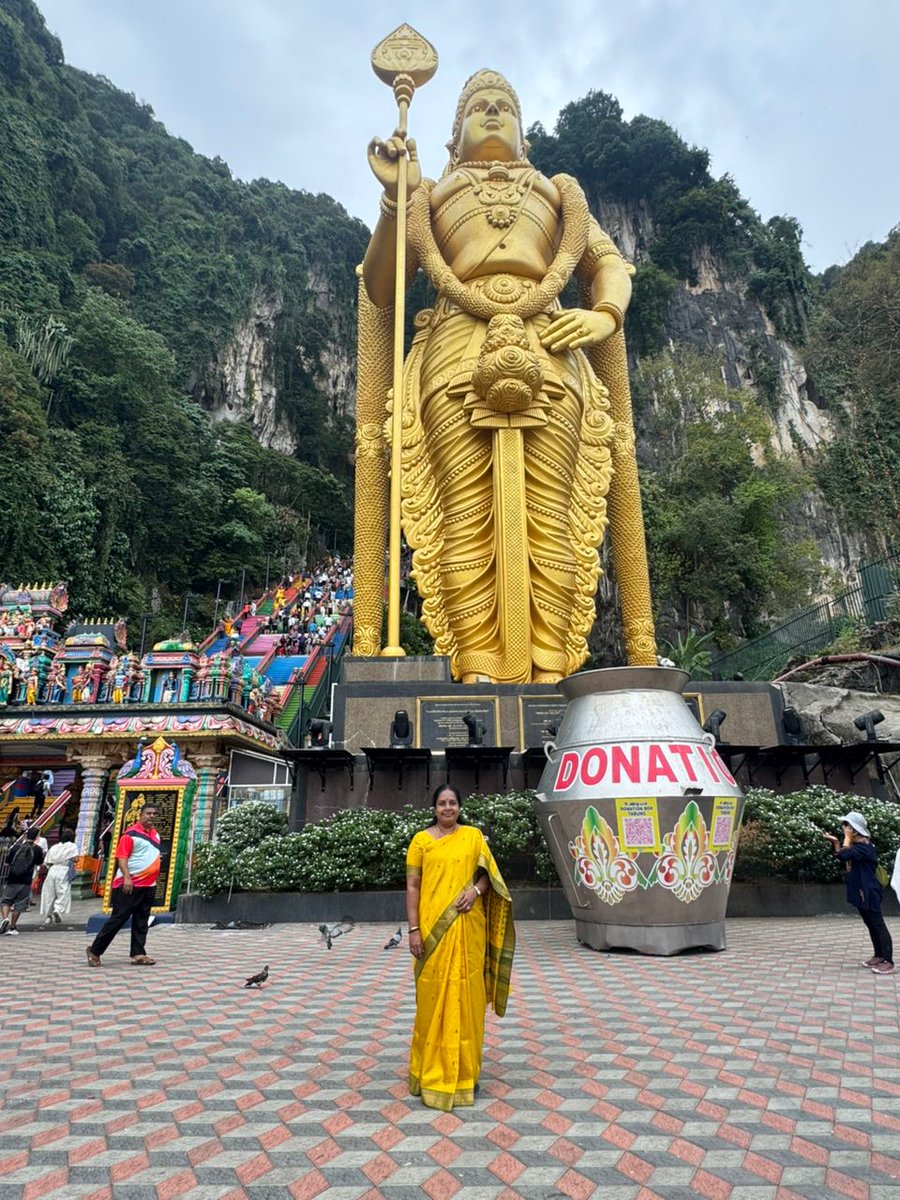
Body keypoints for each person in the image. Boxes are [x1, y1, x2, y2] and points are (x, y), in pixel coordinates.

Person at [357, 68, 656, 682]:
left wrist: (605, 314)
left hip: (550, 343)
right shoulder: (431, 197)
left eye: (504, 108)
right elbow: (382, 284)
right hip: (454, 348)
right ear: (453, 135)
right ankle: (478, 667)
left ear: (524, 135)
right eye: (478, 108)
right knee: (463, 508)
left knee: (552, 509)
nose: (492, 114)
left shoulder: (555, 194)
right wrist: (395, 199)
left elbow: (607, 265)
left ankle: (551, 663)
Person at [405, 784, 515, 1110]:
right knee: (431, 1001)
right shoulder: (421, 841)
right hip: (431, 931)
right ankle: (429, 1073)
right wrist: (413, 930)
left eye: (453, 802)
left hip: (468, 928)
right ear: (434, 808)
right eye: (442, 803)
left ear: (460, 807)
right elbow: (412, 886)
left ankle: (465, 1073)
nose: (448, 808)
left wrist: (476, 892)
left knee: (468, 999)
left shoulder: (473, 837)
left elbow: (488, 877)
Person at [86, 801, 160, 966]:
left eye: (154, 814)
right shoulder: (130, 834)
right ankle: (95, 950)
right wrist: (127, 876)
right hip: (130, 883)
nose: (151, 816)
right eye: (148, 813)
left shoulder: (155, 835)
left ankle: (138, 953)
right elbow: (122, 857)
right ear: (140, 815)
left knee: (142, 920)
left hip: (148, 885)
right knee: (118, 919)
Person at [824, 810, 895, 975]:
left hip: (869, 891)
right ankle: (879, 956)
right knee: (870, 924)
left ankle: (889, 961)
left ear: (855, 829)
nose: (844, 828)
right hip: (861, 890)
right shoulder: (857, 846)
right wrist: (836, 842)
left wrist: (846, 840)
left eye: (847, 826)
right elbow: (841, 855)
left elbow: (845, 854)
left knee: (878, 925)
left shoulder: (864, 846)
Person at [0, 827, 44, 936]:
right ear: (37, 837)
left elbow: (7, 862)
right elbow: (39, 863)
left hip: (12, 879)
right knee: (19, 904)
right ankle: (13, 927)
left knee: (6, 901)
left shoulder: (16, 847)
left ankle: (5, 918)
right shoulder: (38, 849)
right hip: (26, 881)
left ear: (26, 835)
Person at [39, 826, 78, 926]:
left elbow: (47, 861)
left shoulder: (54, 847)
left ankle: (48, 916)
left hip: (52, 870)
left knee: (49, 893)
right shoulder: (72, 846)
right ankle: (58, 909)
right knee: (63, 891)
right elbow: (76, 859)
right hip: (64, 869)